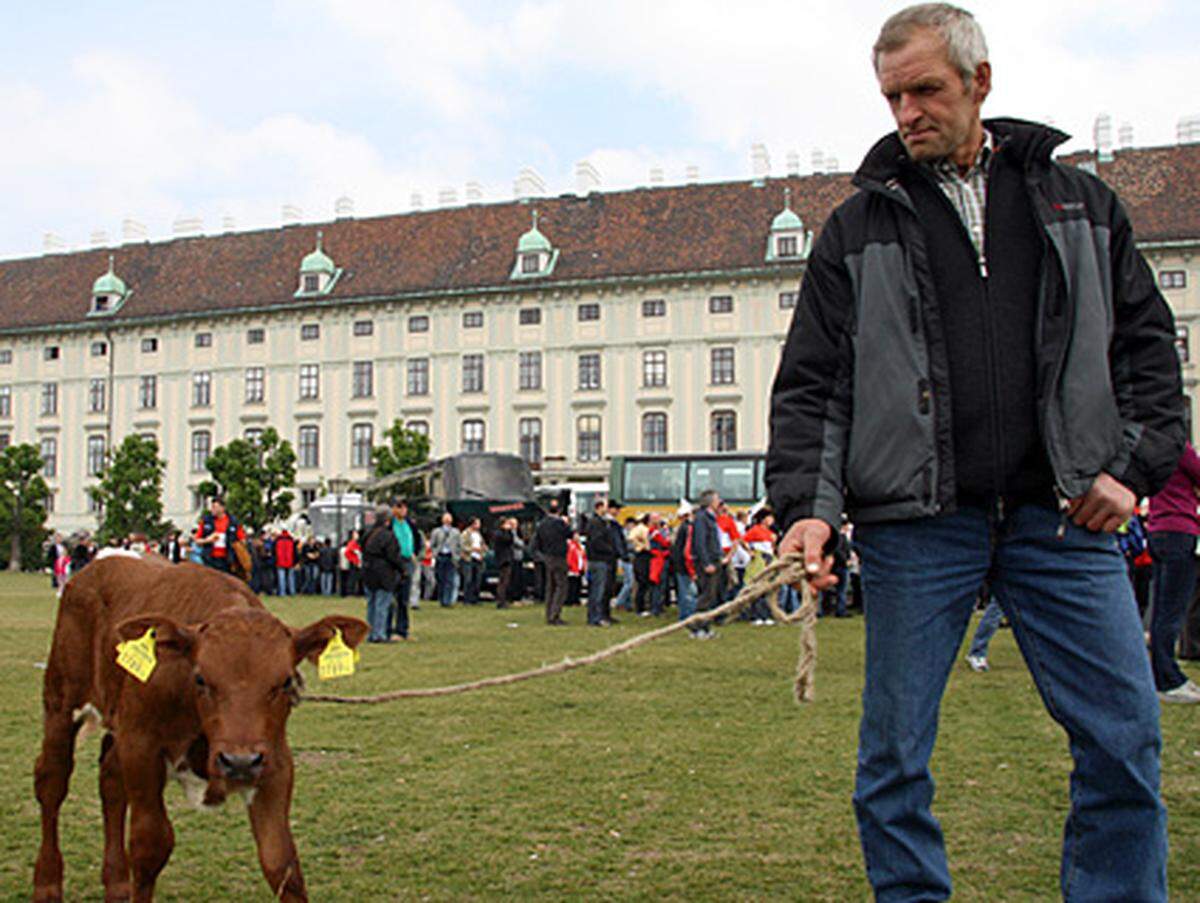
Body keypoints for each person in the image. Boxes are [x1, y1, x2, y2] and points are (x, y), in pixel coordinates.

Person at [765, 6, 1184, 899]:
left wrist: (1132, 467)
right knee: (894, 757)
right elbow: (812, 386)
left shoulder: (1080, 203)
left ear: (980, 82)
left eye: (926, 90)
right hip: (918, 525)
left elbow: (1148, 352)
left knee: (1124, 736)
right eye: (891, 96)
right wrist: (808, 506)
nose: (906, 112)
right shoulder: (854, 229)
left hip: (1062, 519)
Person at [1146, 443, 1200, 702]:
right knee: (1172, 611)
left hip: (1157, 530)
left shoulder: (1152, 451)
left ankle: (1160, 673)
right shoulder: (1180, 448)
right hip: (1181, 529)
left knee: (1160, 610)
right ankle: (1168, 679)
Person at [361, 504, 407, 643]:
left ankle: (371, 633)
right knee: (382, 604)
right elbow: (393, 556)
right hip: (384, 574)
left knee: (372, 604)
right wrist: (402, 569)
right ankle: (379, 634)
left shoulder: (368, 533)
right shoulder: (387, 536)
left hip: (368, 571)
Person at [690, 490, 724, 639]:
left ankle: (705, 627)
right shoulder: (702, 518)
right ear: (711, 502)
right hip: (707, 562)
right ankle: (696, 627)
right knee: (705, 595)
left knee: (711, 596)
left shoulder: (711, 518)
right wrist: (706, 562)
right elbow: (700, 542)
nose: (720, 502)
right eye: (717, 499)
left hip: (714, 560)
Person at [388, 497, 422, 639]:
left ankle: (403, 629)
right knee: (390, 598)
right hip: (394, 562)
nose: (403, 510)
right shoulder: (390, 525)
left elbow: (416, 539)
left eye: (404, 507)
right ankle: (388, 629)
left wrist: (415, 552)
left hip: (408, 561)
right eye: (399, 507)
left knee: (404, 598)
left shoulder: (410, 524)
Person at [536, 499, 572, 625]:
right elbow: (570, 534)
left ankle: (548, 614)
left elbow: (537, 541)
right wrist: (567, 523)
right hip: (559, 557)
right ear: (560, 511)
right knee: (561, 586)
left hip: (547, 557)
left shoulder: (542, 524)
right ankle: (555, 615)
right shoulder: (560, 524)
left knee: (550, 587)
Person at [584, 500, 617, 626]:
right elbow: (596, 541)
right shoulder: (597, 523)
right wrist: (610, 550)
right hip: (599, 560)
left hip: (595, 559)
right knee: (598, 590)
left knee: (595, 589)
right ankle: (595, 617)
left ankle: (594, 616)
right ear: (599, 507)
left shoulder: (594, 522)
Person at [193, 496, 245, 574]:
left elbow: (242, 540)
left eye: (214, 507)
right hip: (209, 559)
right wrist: (208, 540)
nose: (212, 509)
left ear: (222, 508)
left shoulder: (233, 522)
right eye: (212, 506)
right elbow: (197, 540)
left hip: (227, 560)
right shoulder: (206, 521)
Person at [670, 502, 698, 628]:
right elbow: (687, 551)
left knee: (683, 592)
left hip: (679, 564)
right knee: (689, 593)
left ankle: (684, 616)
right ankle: (688, 618)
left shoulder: (683, 527)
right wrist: (692, 568)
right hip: (685, 565)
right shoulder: (689, 528)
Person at [429, 512, 462, 607]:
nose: (447, 520)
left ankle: (447, 601)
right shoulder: (436, 531)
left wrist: (457, 555)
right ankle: (441, 599)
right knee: (440, 579)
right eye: (446, 518)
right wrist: (435, 553)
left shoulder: (456, 532)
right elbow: (432, 544)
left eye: (449, 518)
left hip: (451, 557)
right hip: (440, 556)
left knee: (450, 579)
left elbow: (459, 545)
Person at [460, 518, 486, 604]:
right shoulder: (465, 533)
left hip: (478, 558)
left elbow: (482, 544)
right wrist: (473, 549)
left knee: (477, 579)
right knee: (468, 579)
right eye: (478, 523)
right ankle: (467, 599)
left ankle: (475, 598)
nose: (479, 525)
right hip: (469, 558)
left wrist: (483, 550)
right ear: (472, 524)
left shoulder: (478, 534)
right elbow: (463, 546)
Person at [273, 528, 297, 596]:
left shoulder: (277, 541)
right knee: (291, 578)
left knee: (281, 578)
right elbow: (294, 553)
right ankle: (292, 591)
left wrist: (275, 560)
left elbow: (274, 552)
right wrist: (295, 562)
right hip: (290, 561)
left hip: (280, 561)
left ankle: (282, 592)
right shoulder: (291, 541)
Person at [342, 529, 362, 597]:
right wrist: (353, 559)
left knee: (354, 578)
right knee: (352, 578)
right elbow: (347, 552)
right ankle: (350, 592)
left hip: (355, 562)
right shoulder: (352, 543)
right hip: (354, 563)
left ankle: (353, 591)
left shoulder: (355, 543)